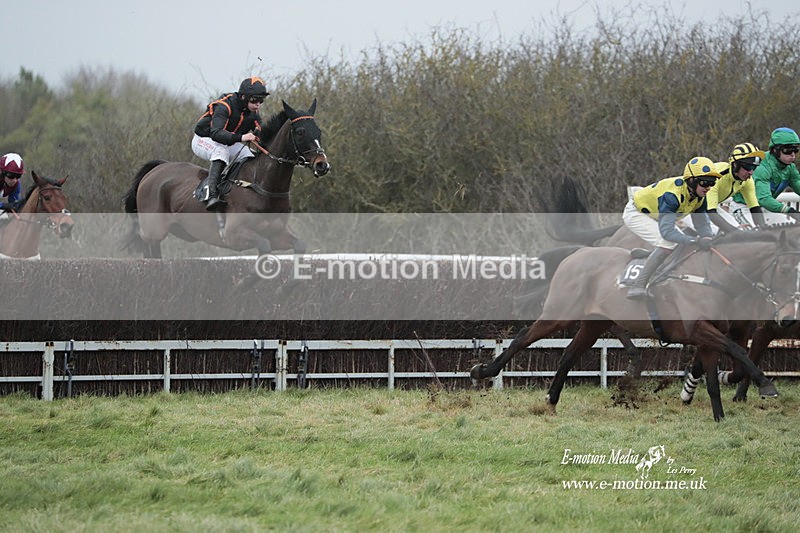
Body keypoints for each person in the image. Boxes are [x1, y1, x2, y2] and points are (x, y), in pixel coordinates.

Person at [623, 156, 721, 300]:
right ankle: (637, 286)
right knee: (668, 242)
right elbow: (667, 232)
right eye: (705, 182)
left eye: (712, 183)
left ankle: (650, 255)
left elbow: (701, 224)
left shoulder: (699, 195)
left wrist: (707, 237)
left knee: (682, 238)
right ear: (692, 180)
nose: (708, 187)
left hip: (656, 213)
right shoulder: (672, 195)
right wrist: (695, 240)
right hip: (636, 213)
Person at [192, 76, 269, 210]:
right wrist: (242, 137)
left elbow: (263, 130)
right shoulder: (224, 106)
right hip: (204, 139)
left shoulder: (253, 111)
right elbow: (216, 133)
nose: (258, 104)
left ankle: (233, 186)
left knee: (250, 156)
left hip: (228, 141)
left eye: (261, 100)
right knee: (221, 152)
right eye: (255, 99)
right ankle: (211, 194)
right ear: (244, 97)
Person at [731, 127, 800, 225]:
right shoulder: (763, 167)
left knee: (791, 227)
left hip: (765, 208)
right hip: (743, 207)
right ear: (775, 150)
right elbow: (764, 199)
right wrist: (790, 211)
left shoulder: (790, 168)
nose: (793, 155)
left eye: (795, 150)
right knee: (755, 235)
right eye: (787, 150)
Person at [705, 142, 767, 232]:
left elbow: (755, 208)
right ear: (735, 164)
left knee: (738, 230)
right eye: (748, 167)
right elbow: (710, 212)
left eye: (754, 167)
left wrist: (764, 229)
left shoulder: (747, 181)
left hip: (702, 207)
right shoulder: (717, 176)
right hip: (687, 208)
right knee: (717, 233)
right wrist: (734, 232)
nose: (751, 172)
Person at [0, 152, 24, 221]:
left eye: (18, 176)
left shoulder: (16, 185)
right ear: (2, 172)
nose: (14, 180)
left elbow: (13, 204)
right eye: (11, 175)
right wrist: (3, 205)